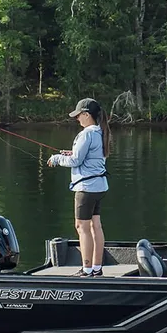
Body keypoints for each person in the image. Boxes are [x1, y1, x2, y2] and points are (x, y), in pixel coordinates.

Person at [47, 98, 111, 277]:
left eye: (79, 115)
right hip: (99, 187)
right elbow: (90, 157)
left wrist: (57, 158)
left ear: (86, 115)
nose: (77, 119)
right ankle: (97, 269)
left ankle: (87, 269)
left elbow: (76, 161)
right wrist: (71, 153)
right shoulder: (101, 132)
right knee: (95, 226)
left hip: (86, 188)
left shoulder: (86, 134)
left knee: (81, 227)